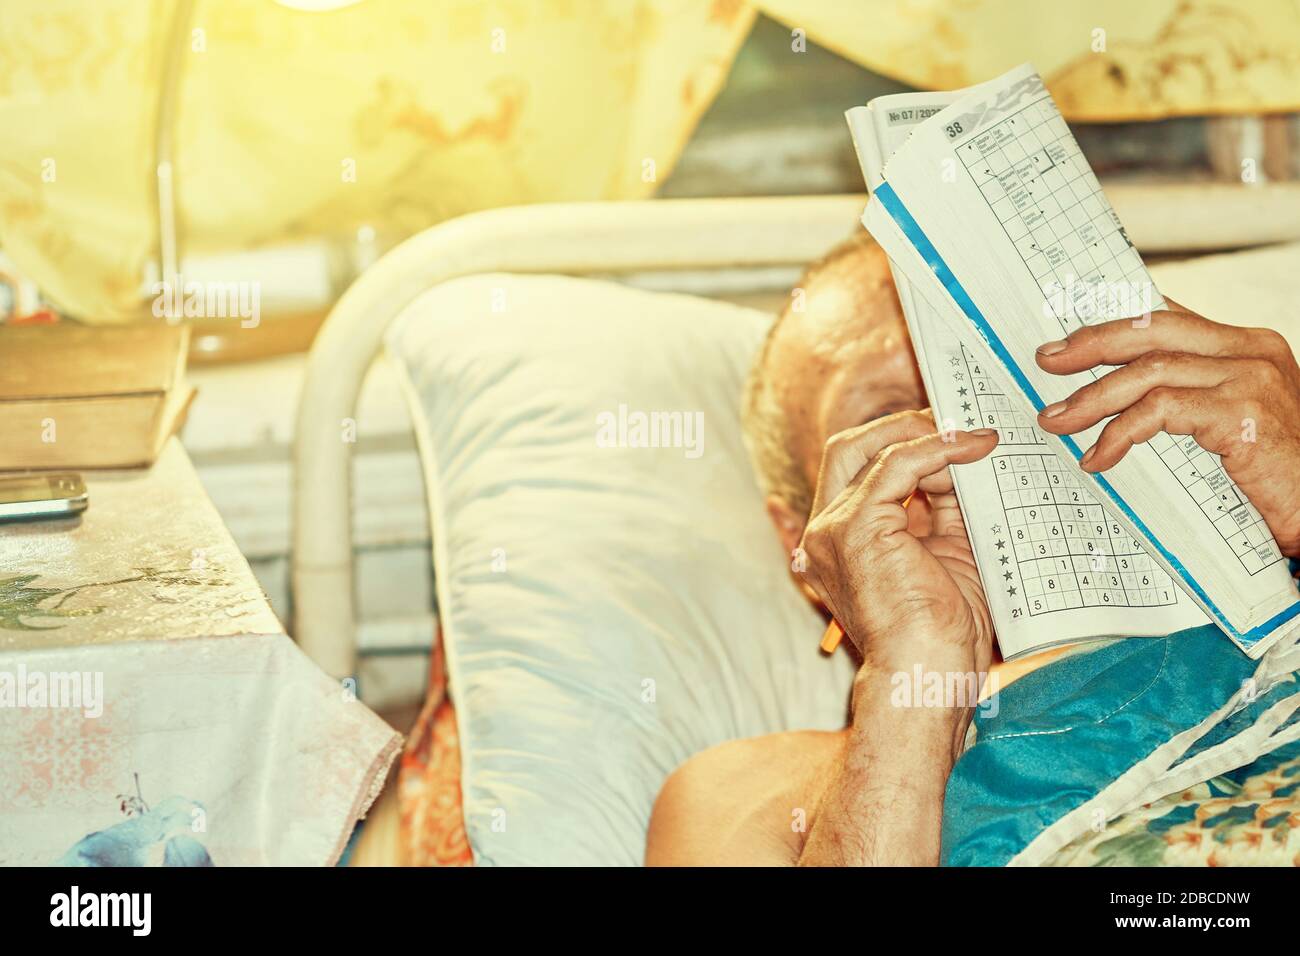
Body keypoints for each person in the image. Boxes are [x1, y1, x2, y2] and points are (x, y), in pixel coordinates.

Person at [644, 233, 1300, 866]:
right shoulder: (753, 791)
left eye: (998, 387)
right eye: (894, 419)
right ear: (809, 549)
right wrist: (918, 670)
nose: (977, 436)